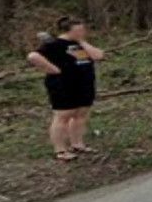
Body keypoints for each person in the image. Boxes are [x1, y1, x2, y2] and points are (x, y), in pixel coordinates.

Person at [27, 16, 105, 161]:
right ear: (69, 30)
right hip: (63, 85)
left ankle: (77, 144)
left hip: (84, 84)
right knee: (63, 116)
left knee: (81, 115)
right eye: (79, 29)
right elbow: (33, 56)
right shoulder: (54, 44)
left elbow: (98, 55)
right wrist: (52, 69)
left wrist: (82, 41)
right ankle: (60, 150)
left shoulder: (80, 44)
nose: (83, 31)